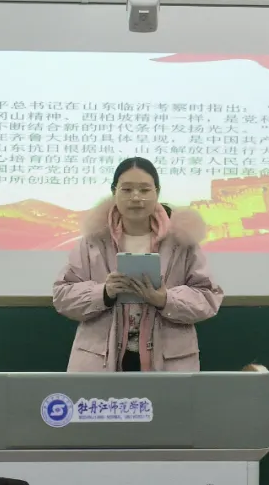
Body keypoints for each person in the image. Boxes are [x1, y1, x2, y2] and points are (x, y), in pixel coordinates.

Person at [52, 157, 224, 372]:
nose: (136, 197)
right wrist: (103, 293)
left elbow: (208, 297)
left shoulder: (182, 241)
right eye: (126, 189)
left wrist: (166, 299)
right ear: (114, 191)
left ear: (157, 192)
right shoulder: (93, 241)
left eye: (144, 190)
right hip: (99, 361)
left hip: (169, 362)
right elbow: (62, 295)